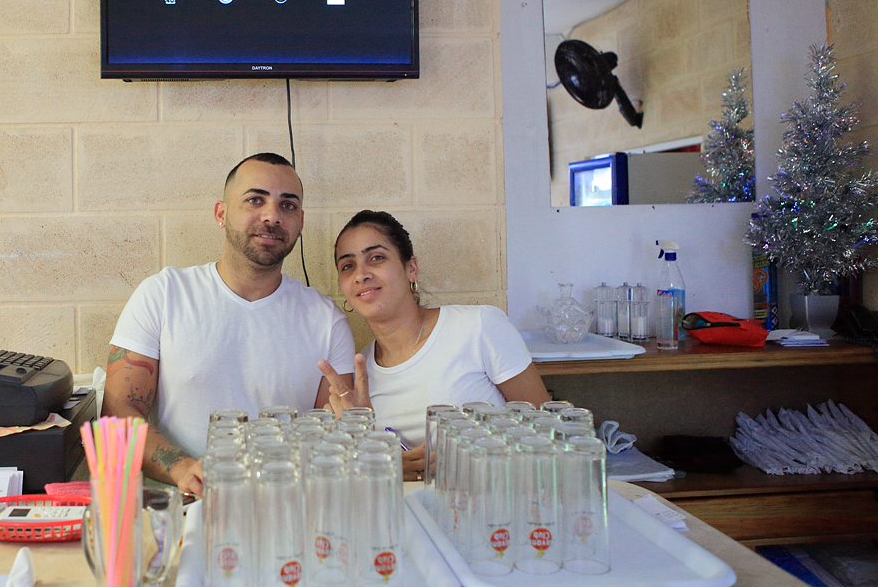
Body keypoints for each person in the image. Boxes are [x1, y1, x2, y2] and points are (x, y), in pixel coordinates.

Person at [103, 153, 357, 496]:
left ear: (300, 223)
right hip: (181, 505)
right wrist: (184, 469)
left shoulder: (327, 321)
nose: (272, 216)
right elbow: (118, 412)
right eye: (255, 200)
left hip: (284, 502)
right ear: (221, 214)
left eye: (287, 206)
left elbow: (328, 432)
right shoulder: (163, 294)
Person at [318, 209, 550, 481]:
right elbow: (373, 471)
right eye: (348, 266)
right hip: (411, 506)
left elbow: (548, 432)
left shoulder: (479, 326)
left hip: (499, 498)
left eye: (376, 258)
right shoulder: (361, 377)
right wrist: (378, 458)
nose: (361, 274)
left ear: (411, 269)